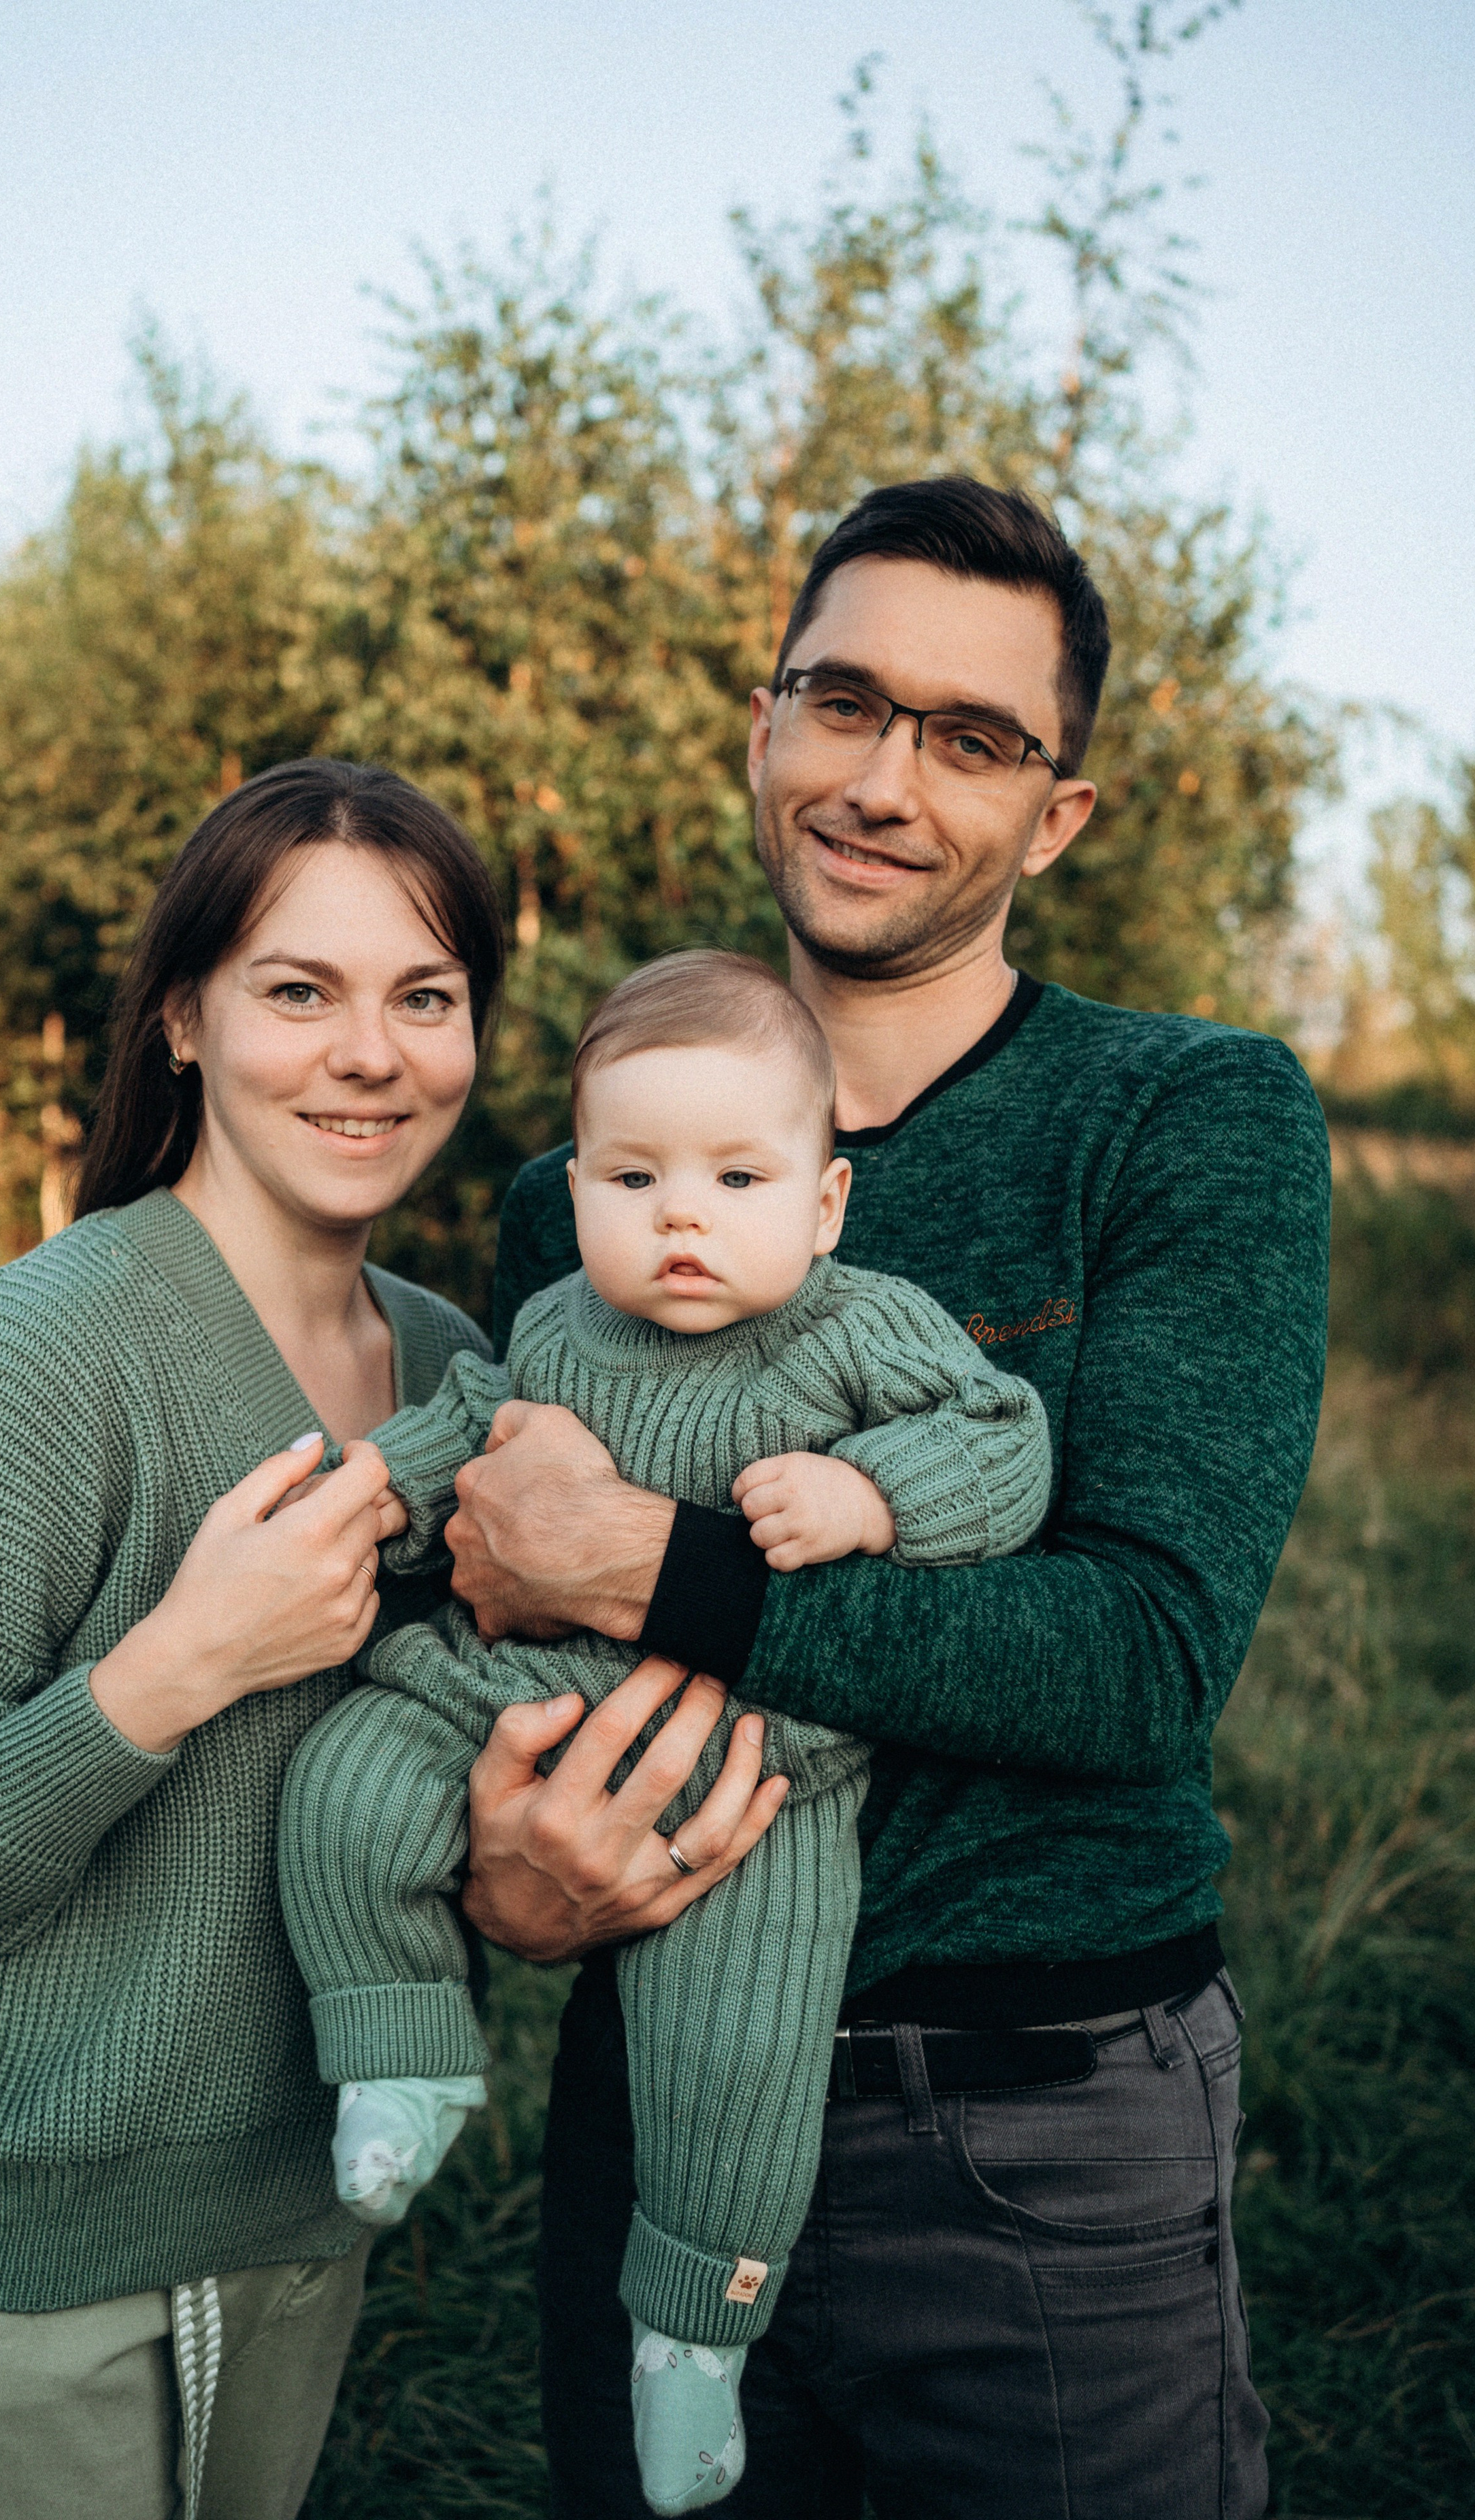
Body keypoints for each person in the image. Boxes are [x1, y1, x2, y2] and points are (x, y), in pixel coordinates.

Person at [443, 480, 1332, 2518]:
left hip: (1034, 2128)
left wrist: (651, 1562)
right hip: (654, 2096)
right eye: (841, 701)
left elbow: (1136, 1658)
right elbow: (499, 1617)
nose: (883, 778)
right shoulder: (559, 1208)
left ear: (1058, 815)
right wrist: (497, 1879)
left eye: (972, 738)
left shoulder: (1180, 1121)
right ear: (763, 730)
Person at [0, 759, 777, 2520]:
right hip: (8, 2292)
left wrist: (513, 1882)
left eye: (424, 998)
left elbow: (397, 1778)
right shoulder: (40, 1362)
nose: (369, 1055)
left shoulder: (469, 1371)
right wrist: (172, 1669)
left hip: (300, 2249)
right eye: (298, 991)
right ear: (180, 1022)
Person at [278, 948, 1050, 2515]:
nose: (679, 1214)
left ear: (822, 1205)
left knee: (729, 2047)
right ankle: (400, 2049)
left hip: (747, 1767)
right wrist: (373, 1492)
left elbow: (1002, 1438)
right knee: (344, 1774)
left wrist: (871, 1494)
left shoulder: (857, 1329)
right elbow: (469, 1440)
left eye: (734, 1175)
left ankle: (688, 2338)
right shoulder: (558, 1327)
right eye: (631, 1175)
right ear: (573, 1194)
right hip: (523, 1696)